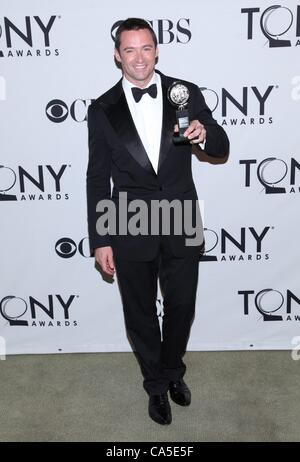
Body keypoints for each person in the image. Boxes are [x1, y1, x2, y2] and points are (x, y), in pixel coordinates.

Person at [86, 18, 229, 425]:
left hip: (181, 216)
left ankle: (172, 371)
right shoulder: (102, 109)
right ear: (117, 55)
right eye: (129, 50)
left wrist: (205, 134)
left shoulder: (184, 94)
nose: (139, 58)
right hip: (129, 219)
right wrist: (101, 238)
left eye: (146, 48)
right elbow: (97, 177)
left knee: (182, 306)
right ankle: (155, 385)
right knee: (140, 311)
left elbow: (221, 146)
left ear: (157, 50)